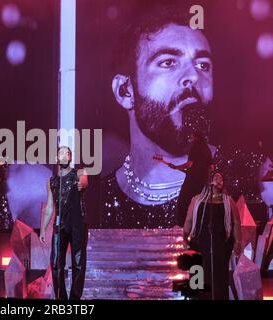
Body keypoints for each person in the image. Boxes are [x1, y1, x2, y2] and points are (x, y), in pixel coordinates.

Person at [101, 4, 272, 228]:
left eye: (203, 65)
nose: (193, 75)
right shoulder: (95, 201)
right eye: (168, 62)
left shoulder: (256, 179)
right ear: (125, 91)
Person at [39, 146, 88, 300]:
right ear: (56, 158)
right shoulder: (52, 181)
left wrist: (82, 184)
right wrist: (42, 229)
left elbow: (84, 182)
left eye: (67, 153)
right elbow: (49, 207)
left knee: (78, 262)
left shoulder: (79, 173)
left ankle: (74, 299)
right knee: (55, 263)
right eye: (61, 152)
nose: (64, 155)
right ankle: (62, 299)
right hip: (60, 224)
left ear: (70, 157)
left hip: (77, 222)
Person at [183, 172, 242, 300]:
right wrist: (184, 236)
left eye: (221, 178)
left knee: (218, 277)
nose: (219, 180)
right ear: (209, 181)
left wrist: (238, 241)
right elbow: (188, 220)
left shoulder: (228, 201)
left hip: (220, 244)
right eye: (216, 177)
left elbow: (236, 221)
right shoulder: (197, 200)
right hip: (198, 243)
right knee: (198, 274)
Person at [167, 131, 213, 227]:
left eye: (191, 137)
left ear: (196, 138)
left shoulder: (194, 148)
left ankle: (182, 225)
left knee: (184, 201)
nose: (190, 139)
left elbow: (189, 164)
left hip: (192, 181)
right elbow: (211, 167)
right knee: (199, 203)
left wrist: (177, 167)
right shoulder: (207, 149)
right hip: (203, 181)